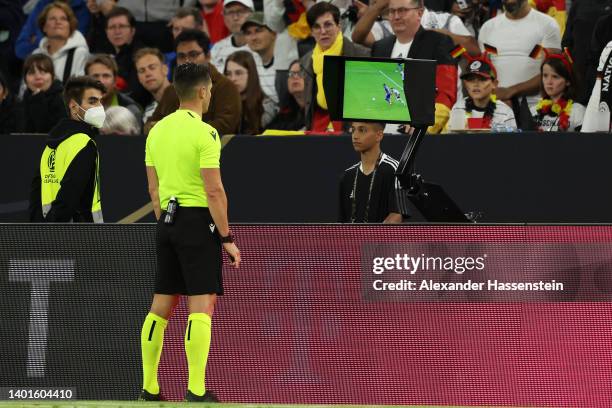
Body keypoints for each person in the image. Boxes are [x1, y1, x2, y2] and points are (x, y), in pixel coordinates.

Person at [140, 62, 241, 403]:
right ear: (202, 91)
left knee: (160, 306)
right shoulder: (206, 133)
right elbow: (214, 191)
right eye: (210, 90)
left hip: (165, 222)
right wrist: (226, 238)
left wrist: (167, 222)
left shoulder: (156, 131)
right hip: (198, 222)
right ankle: (196, 389)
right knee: (202, 304)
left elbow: (153, 191)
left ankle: (149, 388)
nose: (211, 95)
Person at [369, 0, 458, 134]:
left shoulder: (438, 42)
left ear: (420, 12)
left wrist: (424, 125)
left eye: (403, 10)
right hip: (381, 132)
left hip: (421, 133)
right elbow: (373, 92)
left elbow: (445, 93)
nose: (396, 16)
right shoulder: (380, 47)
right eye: (392, 11)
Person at [29, 76, 106, 222]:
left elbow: (35, 194)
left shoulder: (51, 145)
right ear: (73, 106)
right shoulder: (83, 143)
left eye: (100, 101)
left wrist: (37, 233)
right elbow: (69, 195)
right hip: (76, 236)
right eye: (93, 101)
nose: (100, 107)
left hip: (45, 232)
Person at [144, 29, 241, 136]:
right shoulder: (171, 90)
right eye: (181, 56)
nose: (187, 61)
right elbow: (150, 125)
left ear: (208, 56)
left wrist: (179, 130)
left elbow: (226, 126)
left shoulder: (225, 87)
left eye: (193, 54)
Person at [478, 0, 561, 117]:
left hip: (537, 108)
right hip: (498, 110)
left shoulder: (547, 24)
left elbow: (553, 72)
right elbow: (484, 70)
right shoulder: (488, 28)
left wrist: (511, 91)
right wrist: (496, 94)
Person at [301, 2, 370, 132]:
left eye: (328, 24)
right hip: (317, 128)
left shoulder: (361, 55)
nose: (323, 31)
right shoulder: (306, 61)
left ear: (339, 26)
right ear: (311, 32)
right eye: (317, 27)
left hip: (350, 130)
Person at [339, 122, 403, 223]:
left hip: (382, 238)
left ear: (379, 135)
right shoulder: (347, 175)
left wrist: (371, 237)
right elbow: (342, 222)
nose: (355, 136)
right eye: (353, 130)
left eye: (362, 130)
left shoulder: (395, 169)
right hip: (352, 238)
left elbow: (397, 215)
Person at [445, 55, 516, 132]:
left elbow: (511, 142)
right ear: (465, 84)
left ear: (494, 84)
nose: (476, 84)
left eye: (482, 79)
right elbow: (450, 138)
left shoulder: (505, 112)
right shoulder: (459, 107)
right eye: (471, 80)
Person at [30, 1, 90, 82]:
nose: (58, 22)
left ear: (70, 26)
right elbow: (25, 88)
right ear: (44, 27)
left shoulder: (80, 54)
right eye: (52, 18)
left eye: (63, 19)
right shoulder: (35, 55)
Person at [531, 51, 585, 132]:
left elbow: (585, 142)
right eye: (545, 75)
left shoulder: (577, 111)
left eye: (555, 77)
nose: (549, 82)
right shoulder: (534, 111)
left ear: (568, 81)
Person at [225, 51, 277, 134]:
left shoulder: (266, 105)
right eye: (228, 74)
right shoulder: (221, 104)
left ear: (251, 74)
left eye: (238, 73)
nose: (233, 78)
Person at [85, 54, 142, 126]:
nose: (101, 81)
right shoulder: (77, 110)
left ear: (115, 80)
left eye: (106, 76)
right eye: (95, 76)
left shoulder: (131, 110)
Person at [17, 53, 68, 133]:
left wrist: (38, 99)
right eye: (31, 73)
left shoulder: (62, 99)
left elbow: (48, 132)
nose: (38, 77)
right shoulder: (25, 98)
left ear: (52, 76)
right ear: (25, 78)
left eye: (43, 72)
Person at [210, 0, 256, 72]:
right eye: (230, 12)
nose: (235, 18)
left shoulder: (262, 46)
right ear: (224, 17)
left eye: (241, 11)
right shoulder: (217, 48)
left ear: (252, 14)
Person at [266, 59, 306, 131]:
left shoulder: (318, 110)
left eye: (300, 73)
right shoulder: (285, 110)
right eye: (291, 74)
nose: (295, 77)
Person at [134, 48, 171, 123]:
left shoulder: (186, 99)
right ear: (139, 79)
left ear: (165, 69)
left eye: (152, 67)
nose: (147, 74)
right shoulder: (147, 114)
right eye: (142, 71)